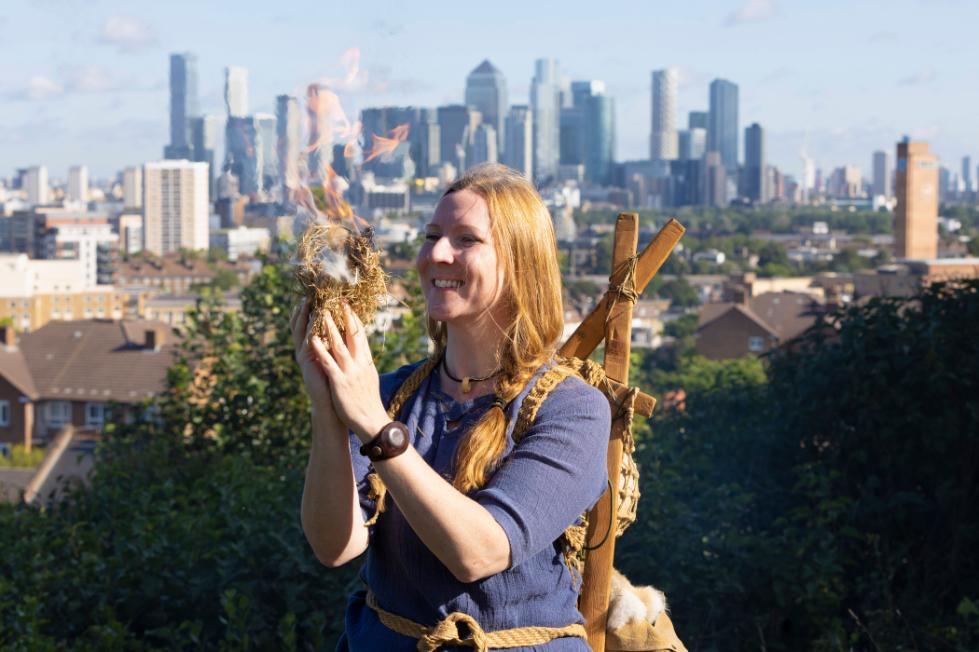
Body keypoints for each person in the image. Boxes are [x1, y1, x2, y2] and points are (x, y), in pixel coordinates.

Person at [292, 163, 611, 650]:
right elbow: (335, 545)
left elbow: (479, 553)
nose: (437, 254)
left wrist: (377, 427)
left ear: (520, 264)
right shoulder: (393, 394)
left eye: (466, 240)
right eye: (432, 235)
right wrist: (326, 409)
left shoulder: (572, 410)